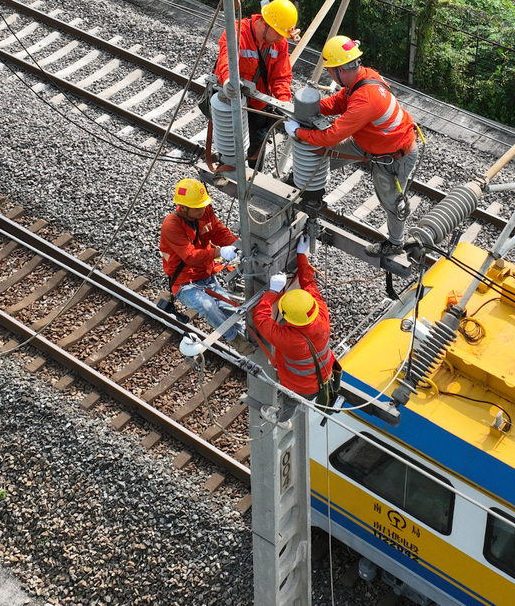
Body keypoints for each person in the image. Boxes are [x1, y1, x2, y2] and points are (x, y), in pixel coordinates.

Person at [283, 35, 419, 257]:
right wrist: (309, 107)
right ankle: (299, 180)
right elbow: (338, 102)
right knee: (321, 154)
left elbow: (331, 136)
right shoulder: (362, 77)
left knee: (392, 202)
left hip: (393, 155)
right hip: (370, 141)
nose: (329, 74)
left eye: (330, 70)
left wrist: (298, 132)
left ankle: (395, 244)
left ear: (340, 70)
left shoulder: (366, 99)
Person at [249, 238, 341, 403]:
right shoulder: (321, 314)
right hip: (324, 376)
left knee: (290, 403)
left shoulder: (288, 340)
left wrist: (273, 291)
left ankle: (285, 413)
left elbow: (260, 318)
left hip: (298, 387)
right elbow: (309, 283)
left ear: (287, 316)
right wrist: (301, 255)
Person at [214, 0, 300, 169]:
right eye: (278, 33)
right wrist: (228, 81)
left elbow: (281, 77)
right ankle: (228, 168)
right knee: (231, 143)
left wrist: (284, 103)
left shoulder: (279, 44)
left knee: (256, 146)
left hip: (258, 104)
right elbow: (226, 60)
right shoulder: (237, 32)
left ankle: (254, 175)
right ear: (265, 24)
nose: (280, 39)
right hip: (232, 99)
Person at [159, 178, 244, 341]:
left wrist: (237, 245)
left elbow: (218, 232)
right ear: (183, 207)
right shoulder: (171, 226)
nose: (202, 210)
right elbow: (190, 256)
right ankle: (234, 339)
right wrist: (219, 252)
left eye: (203, 205)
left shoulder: (205, 212)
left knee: (230, 309)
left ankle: (245, 334)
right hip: (185, 283)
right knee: (209, 307)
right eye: (197, 208)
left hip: (205, 275)